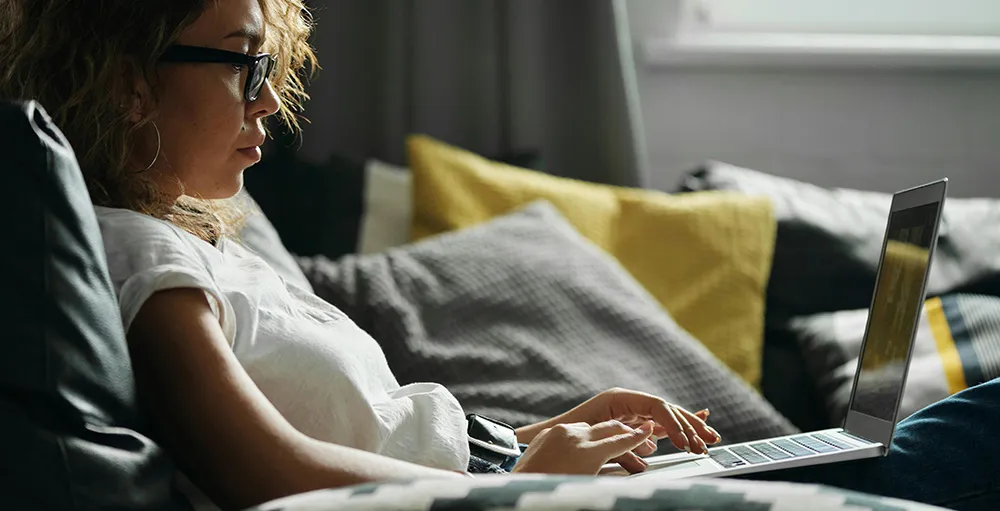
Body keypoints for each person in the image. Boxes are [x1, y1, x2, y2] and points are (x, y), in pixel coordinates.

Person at [3, 1, 997, 511]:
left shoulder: (195, 241)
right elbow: (272, 476)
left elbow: (380, 432)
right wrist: (522, 483)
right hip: (496, 500)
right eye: (242, 63)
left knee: (933, 439)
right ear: (129, 82)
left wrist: (538, 438)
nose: (269, 99)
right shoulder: (133, 252)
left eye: (271, 67)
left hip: (502, 477)